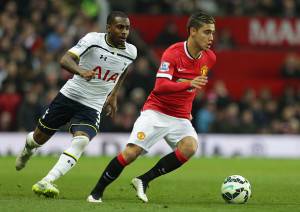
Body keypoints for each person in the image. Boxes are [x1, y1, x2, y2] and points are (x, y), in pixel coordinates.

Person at [87, 11, 216, 203]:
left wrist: (187, 105)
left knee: (190, 147)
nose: (211, 37)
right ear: (193, 31)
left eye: (213, 32)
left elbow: (193, 87)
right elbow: (161, 87)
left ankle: (143, 180)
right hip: (156, 112)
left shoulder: (210, 58)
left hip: (180, 117)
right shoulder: (173, 53)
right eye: (207, 32)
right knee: (131, 153)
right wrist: (188, 83)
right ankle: (96, 192)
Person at [15, 11, 137, 198]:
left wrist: (114, 94)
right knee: (39, 138)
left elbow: (124, 69)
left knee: (81, 141)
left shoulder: (131, 51)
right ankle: (28, 148)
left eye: (127, 28)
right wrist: (81, 71)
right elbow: (65, 59)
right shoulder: (93, 40)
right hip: (70, 96)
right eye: (120, 27)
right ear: (109, 28)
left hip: (93, 105)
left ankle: (47, 181)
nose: (124, 32)